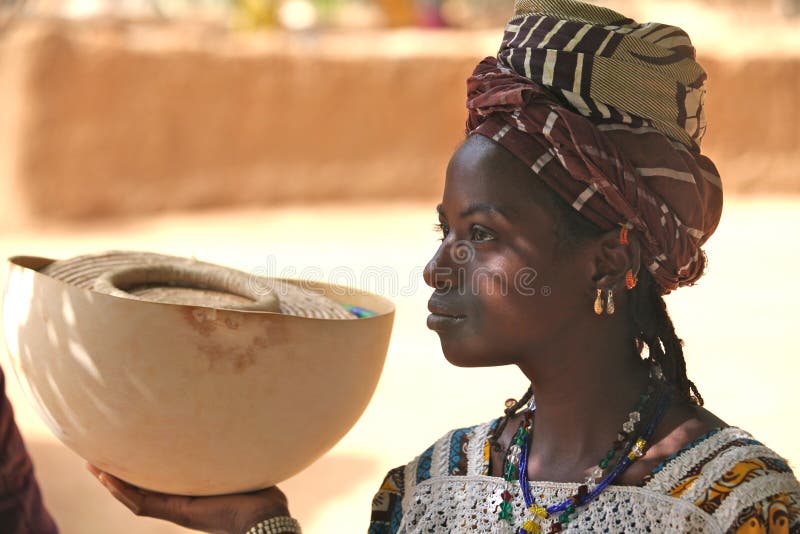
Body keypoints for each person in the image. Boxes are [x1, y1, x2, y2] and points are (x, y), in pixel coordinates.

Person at [89, 0, 800, 532]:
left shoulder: (733, 502)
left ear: (608, 264)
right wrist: (260, 523)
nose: (435, 269)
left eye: (480, 234)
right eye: (444, 229)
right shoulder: (427, 489)